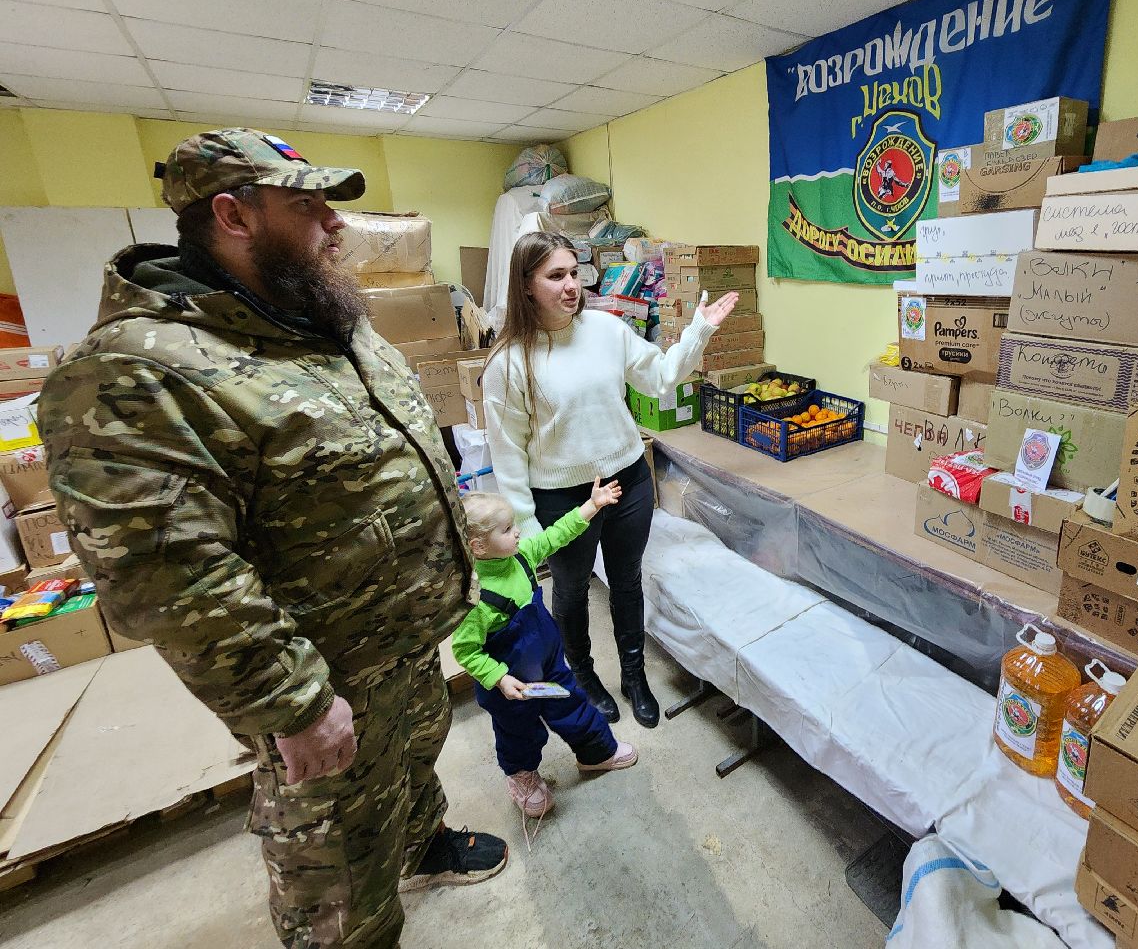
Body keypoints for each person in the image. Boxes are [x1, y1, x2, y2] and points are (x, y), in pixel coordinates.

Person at [38, 129, 506, 949]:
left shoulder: (324, 322)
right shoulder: (136, 370)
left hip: (403, 641)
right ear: (233, 215)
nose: (335, 225)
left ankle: (422, 843)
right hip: (319, 680)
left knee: (412, 763)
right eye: (308, 205)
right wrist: (293, 705)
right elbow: (170, 576)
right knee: (334, 862)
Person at [483, 231, 737, 729]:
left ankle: (634, 674)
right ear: (526, 285)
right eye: (555, 276)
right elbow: (507, 454)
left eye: (574, 272)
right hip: (562, 498)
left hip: (627, 479)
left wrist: (697, 332)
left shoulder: (606, 329)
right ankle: (583, 675)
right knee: (572, 590)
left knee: (626, 579)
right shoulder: (508, 362)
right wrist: (528, 529)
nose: (571, 285)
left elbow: (662, 378)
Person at [453, 481, 638, 823]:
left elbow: (557, 534)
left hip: (549, 668)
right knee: (519, 734)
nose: (518, 532)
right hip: (513, 689)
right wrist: (499, 678)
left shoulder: (521, 557)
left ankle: (596, 752)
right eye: (508, 529)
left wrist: (592, 506)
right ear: (478, 546)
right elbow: (465, 651)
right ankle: (522, 778)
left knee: (572, 704)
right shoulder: (476, 598)